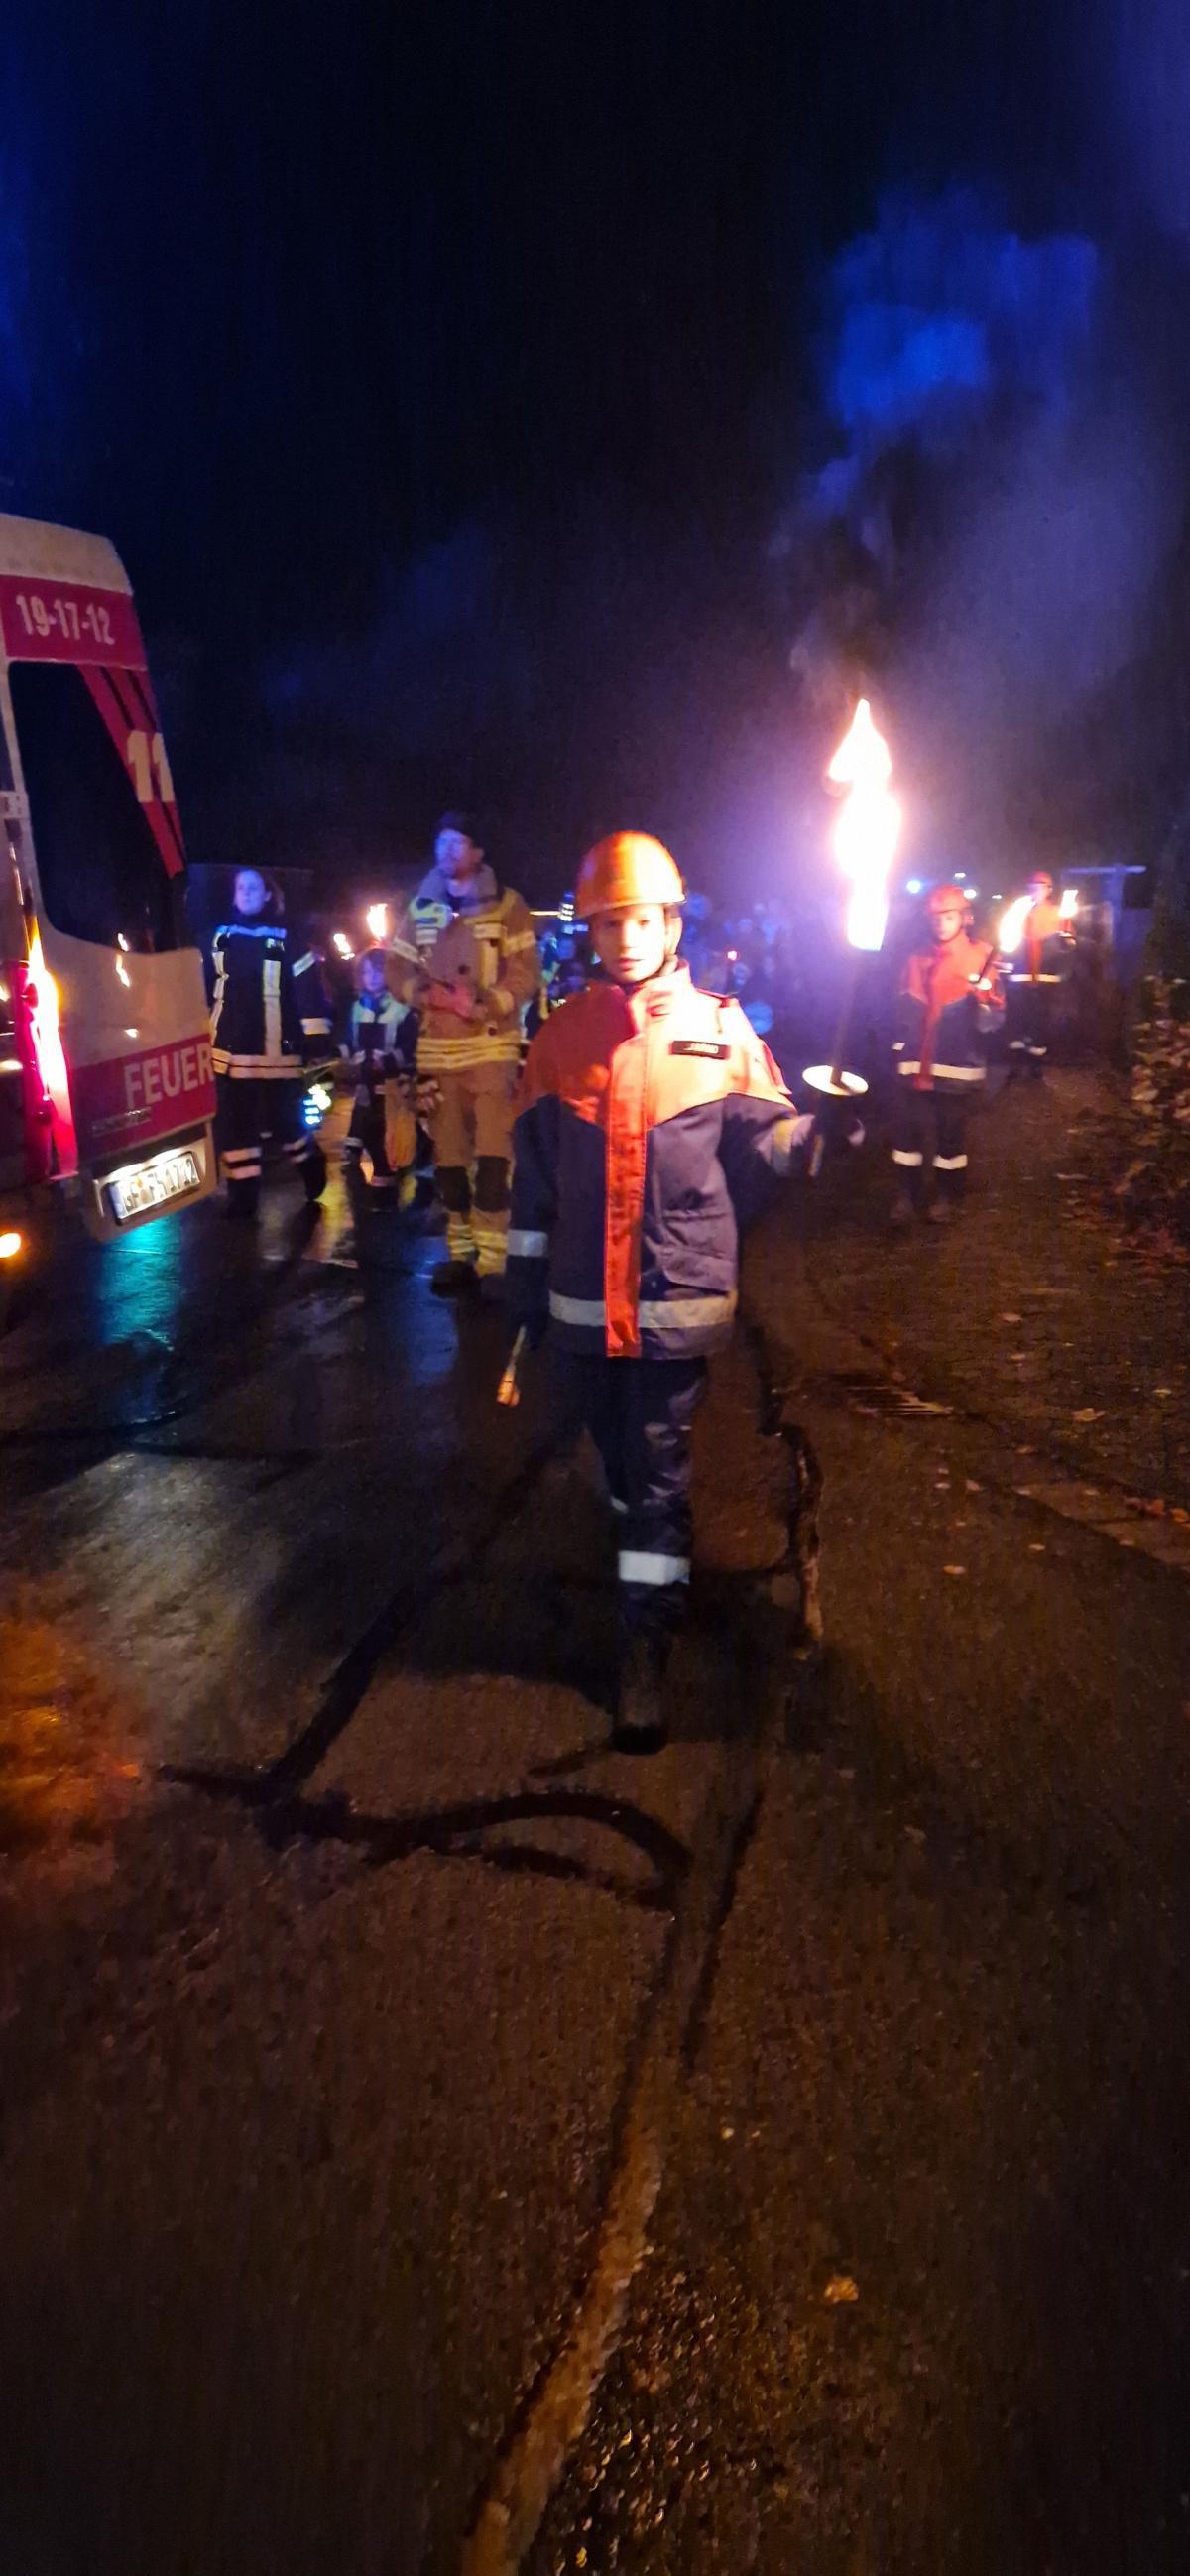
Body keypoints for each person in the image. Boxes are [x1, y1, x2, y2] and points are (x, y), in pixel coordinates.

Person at [506, 831, 815, 1752]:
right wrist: (522, 1289)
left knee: (656, 1480)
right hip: (577, 1313)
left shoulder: (722, 1029)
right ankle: (648, 1559)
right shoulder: (558, 1041)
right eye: (610, 922)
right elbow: (532, 1187)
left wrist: (802, 1143)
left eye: (643, 918)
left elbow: (758, 1159)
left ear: (672, 922)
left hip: (675, 1305)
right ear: (590, 933)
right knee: (621, 1468)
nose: (628, 936)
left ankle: (645, 1654)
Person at [387, 811, 539, 1295]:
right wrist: (422, 994)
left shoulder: (508, 906)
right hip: (437, 1056)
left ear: (477, 853)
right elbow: (395, 968)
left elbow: (525, 974)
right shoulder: (421, 909)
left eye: (459, 844)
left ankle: (494, 1263)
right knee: (449, 1161)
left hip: (491, 1052)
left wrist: (480, 1003)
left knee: (494, 1160)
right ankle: (461, 1254)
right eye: (442, 842)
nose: (448, 851)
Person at [208, 867, 332, 1215]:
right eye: (241, 887)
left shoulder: (285, 938)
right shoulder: (219, 937)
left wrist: (316, 1039)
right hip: (228, 1052)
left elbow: (307, 988)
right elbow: (204, 985)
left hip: (276, 1051)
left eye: (254, 886)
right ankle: (243, 1197)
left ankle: (311, 1165)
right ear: (234, 895)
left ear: (267, 895)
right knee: (236, 1126)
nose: (246, 892)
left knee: (285, 1123)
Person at [891, 882, 1004, 1227]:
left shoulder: (981, 959)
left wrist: (983, 1002)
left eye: (949, 916)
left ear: (964, 918)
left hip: (956, 1066)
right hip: (914, 1066)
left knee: (949, 1137)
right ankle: (906, 1197)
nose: (941, 923)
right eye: (936, 917)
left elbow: (993, 1022)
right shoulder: (915, 959)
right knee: (906, 1137)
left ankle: (947, 1196)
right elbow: (900, 1011)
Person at [340, 947, 418, 1207]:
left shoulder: (401, 1011)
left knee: (384, 1135)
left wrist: (386, 1061)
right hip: (364, 1084)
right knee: (362, 1132)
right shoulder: (355, 1009)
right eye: (366, 971)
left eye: (378, 971)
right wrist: (346, 1059)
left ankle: (384, 1193)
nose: (371, 977)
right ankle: (369, 1187)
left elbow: (409, 1046)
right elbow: (347, 1041)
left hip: (390, 1086)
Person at [1004, 869, 1076, 1079]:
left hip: (1046, 978)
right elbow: (1007, 942)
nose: (1035, 891)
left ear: (1049, 890)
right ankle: (1015, 1067)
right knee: (1017, 1021)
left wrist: (1066, 941)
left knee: (1040, 1021)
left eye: (1040, 887)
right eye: (1032, 887)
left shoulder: (1058, 914)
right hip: (1019, 977)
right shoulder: (1017, 913)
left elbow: (1069, 944)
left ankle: (1035, 1067)